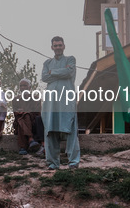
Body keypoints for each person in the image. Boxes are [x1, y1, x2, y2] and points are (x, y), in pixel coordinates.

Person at [41, 36, 80, 170]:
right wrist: (59, 72)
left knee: (70, 129)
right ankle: (53, 163)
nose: (58, 47)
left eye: (60, 45)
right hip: (51, 102)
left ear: (64, 46)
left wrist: (53, 72)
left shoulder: (70, 59)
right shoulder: (47, 63)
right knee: (50, 130)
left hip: (66, 100)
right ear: (52, 47)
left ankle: (73, 161)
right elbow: (44, 77)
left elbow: (69, 73)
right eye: (55, 45)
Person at [13, 78, 45, 156]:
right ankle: (30, 139)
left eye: (25, 85)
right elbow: (15, 114)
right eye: (21, 86)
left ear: (29, 87)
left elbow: (37, 113)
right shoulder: (15, 99)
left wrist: (25, 112)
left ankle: (23, 147)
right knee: (22, 119)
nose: (23, 87)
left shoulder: (36, 98)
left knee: (25, 116)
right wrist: (22, 113)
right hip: (19, 122)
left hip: (33, 122)